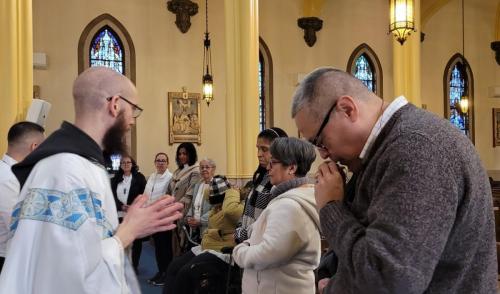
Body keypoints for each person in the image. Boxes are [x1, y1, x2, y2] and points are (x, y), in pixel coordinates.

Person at [292, 67, 497, 293]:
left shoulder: (416, 148)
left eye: (320, 140)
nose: (323, 154)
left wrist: (331, 209)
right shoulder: (386, 150)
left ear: (347, 109)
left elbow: (390, 281)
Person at [0, 67, 184, 294]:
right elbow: (63, 277)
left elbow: (86, 244)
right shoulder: (64, 170)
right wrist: (126, 232)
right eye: (133, 110)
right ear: (115, 104)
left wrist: (131, 227)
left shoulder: (84, 165)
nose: (133, 121)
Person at [233, 137, 320, 294]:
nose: (268, 168)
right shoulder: (288, 199)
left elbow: (268, 254)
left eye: (273, 163)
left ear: (291, 168)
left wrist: (240, 251)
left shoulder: (289, 206)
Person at [163, 175, 244, 294]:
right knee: (174, 266)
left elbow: (229, 211)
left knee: (185, 272)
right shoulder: (216, 207)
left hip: (223, 253)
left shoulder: (237, 206)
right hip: (207, 247)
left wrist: (232, 191)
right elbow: (208, 198)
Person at [149, 143, 201, 286]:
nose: (182, 156)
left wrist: (174, 208)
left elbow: (189, 194)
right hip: (169, 212)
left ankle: (170, 275)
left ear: (191, 154)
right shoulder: (178, 172)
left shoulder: (195, 171)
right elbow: (169, 192)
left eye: (185, 153)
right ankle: (163, 271)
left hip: (181, 215)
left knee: (172, 247)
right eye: (180, 154)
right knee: (162, 245)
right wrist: (164, 205)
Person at [0, 121, 45, 273]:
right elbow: (16, 225)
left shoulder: (8, 172)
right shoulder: (8, 178)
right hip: (5, 257)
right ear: (35, 147)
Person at [234, 127, 288, 244]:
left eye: (264, 149)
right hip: (246, 242)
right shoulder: (262, 176)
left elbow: (266, 223)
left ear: (279, 151)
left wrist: (240, 234)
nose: (259, 154)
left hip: (258, 245)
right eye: (258, 149)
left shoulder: (278, 183)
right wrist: (238, 229)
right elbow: (246, 210)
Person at [110, 154, 147, 272]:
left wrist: (134, 206)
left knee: (135, 241)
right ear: (120, 165)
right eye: (123, 163)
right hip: (119, 214)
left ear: (132, 164)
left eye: (128, 162)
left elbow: (144, 195)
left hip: (135, 214)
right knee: (120, 240)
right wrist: (121, 206)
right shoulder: (114, 179)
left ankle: (134, 266)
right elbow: (111, 196)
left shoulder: (139, 178)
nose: (126, 165)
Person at [145, 152, 174, 286]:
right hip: (152, 217)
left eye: (163, 161)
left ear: (167, 163)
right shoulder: (152, 176)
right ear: (155, 162)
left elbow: (169, 198)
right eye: (158, 160)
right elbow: (147, 196)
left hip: (164, 217)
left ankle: (167, 274)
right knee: (157, 246)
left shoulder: (171, 177)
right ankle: (160, 271)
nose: (160, 163)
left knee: (165, 247)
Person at [183, 158, 216, 247]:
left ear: (213, 169)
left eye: (207, 167)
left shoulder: (217, 186)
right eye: (202, 167)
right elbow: (193, 205)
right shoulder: (198, 185)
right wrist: (189, 218)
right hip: (194, 228)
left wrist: (200, 221)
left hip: (208, 228)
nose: (204, 169)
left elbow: (216, 209)